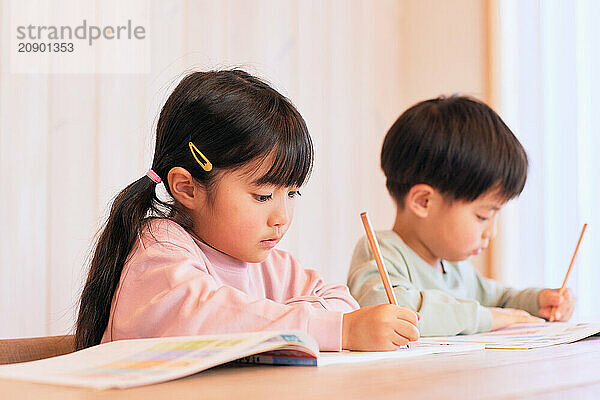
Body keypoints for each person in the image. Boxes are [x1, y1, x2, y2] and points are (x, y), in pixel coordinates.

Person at [75, 70, 419, 351]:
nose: (281, 217)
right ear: (187, 187)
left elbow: (341, 302)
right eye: (263, 195)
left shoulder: (270, 265)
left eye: (292, 192)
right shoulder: (160, 250)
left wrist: (310, 323)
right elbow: (210, 318)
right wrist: (334, 330)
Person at [347, 96, 575, 336]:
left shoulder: (456, 269)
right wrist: (484, 317)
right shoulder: (381, 253)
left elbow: (500, 300)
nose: (491, 233)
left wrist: (538, 301)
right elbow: (388, 311)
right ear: (424, 201)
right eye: (483, 216)